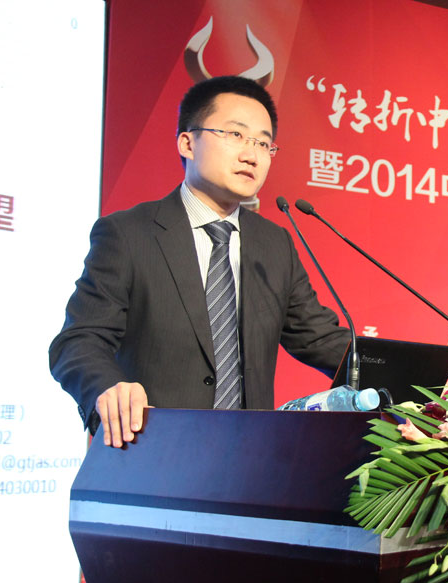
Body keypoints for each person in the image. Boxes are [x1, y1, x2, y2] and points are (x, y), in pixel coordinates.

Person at [49, 76, 350, 448]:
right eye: (235, 135)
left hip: (249, 460)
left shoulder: (274, 244)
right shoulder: (129, 234)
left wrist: (407, 371)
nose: (252, 155)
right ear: (187, 143)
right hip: (152, 450)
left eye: (263, 143)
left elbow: (319, 338)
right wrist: (108, 388)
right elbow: (79, 341)